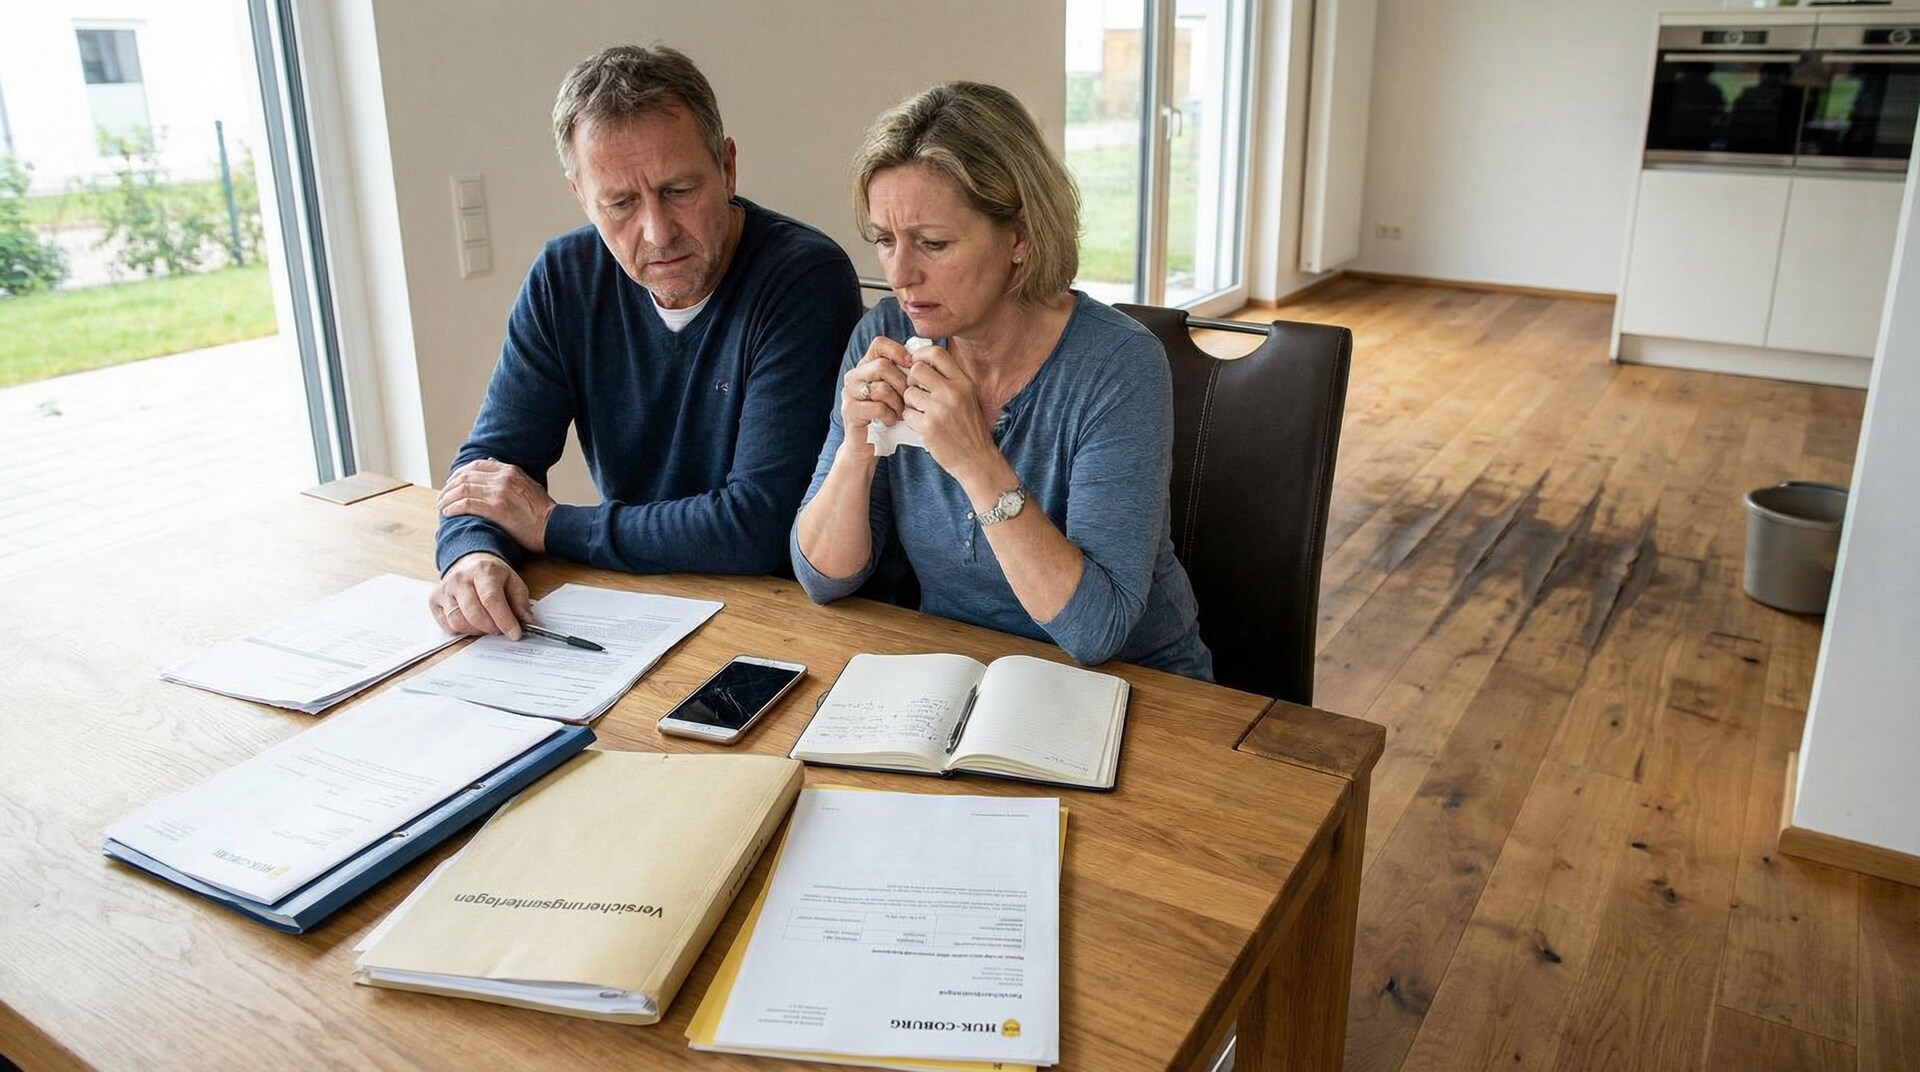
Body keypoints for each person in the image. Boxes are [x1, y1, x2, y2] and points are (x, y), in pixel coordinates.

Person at [432, 45, 863, 638]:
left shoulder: (802, 277)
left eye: (680, 190)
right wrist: (474, 554)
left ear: (728, 167)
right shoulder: (565, 278)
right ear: (580, 196)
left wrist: (553, 526)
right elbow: (487, 472)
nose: (657, 232)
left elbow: (761, 523)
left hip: (779, 617)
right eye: (621, 204)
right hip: (633, 607)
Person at [791, 82, 1212, 680]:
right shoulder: (885, 334)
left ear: (1021, 236)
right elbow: (821, 577)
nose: (900, 275)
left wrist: (975, 461)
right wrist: (857, 451)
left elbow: (1097, 631)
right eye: (885, 241)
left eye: (933, 243)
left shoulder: (1119, 365)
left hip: (1138, 687)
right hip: (964, 677)